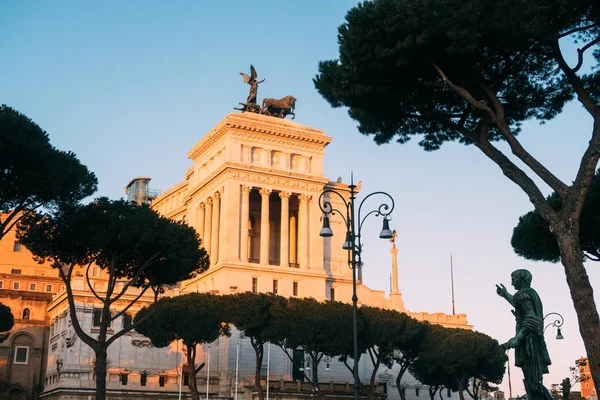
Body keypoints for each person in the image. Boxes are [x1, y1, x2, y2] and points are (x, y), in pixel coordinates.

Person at [496, 269, 552, 400]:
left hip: (529, 342)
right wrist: (505, 295)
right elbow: (518, 303)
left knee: (533, 382)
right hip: (530, 339)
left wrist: (518, 337)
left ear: (522, 279)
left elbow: (531, 318)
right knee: (533, 381)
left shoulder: (524, 295)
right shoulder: (526, 294)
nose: (511, 282)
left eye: (513, 279)